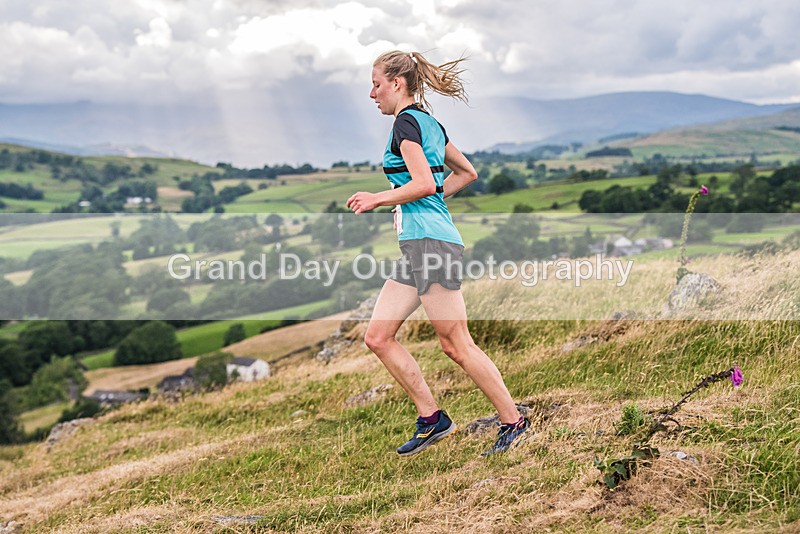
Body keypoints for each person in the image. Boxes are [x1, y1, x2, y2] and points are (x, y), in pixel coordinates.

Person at [346, 50, 531, 457]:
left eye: (376, 84)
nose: (371, 92)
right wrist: (419, 203)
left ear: (397, 83)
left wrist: (381, 198)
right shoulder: (429, 123)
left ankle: (514, 421)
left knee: (456, 343)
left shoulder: (406, 124)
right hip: (420, 243)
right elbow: (466, 173)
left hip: (431, 244)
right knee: (378, 337)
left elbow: (425, 184)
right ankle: (432, 419)